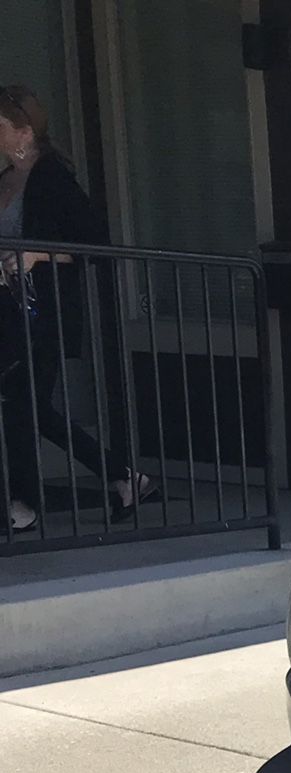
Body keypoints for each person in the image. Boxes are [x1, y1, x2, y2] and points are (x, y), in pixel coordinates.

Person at [0, 84, 151, 534]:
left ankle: (24, 505)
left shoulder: (52, 177)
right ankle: (124, 478)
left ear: (23, 130)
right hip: (7, 309)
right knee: (19, 403)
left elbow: (92, 244)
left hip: (43, 311)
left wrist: (37, 255)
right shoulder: (5, 179)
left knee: (24, 403)